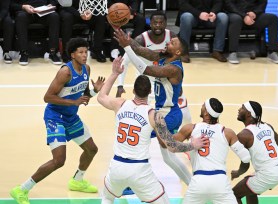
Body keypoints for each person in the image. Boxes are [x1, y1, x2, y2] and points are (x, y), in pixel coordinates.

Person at [97, 57, 208, 204]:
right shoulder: (154, 116)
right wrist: (193, 145)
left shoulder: (120, 104)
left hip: (116, 167)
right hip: (139, 170)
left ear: (133, 90)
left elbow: (101, 96)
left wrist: (115, 73)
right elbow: (172, 147)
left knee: (107, 197)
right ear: (150, 91)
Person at [10, 38, 105, 204]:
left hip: (71, 117)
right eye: (81, 52)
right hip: (55, 117)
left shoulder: (86, 69)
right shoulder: (65, 72)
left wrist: (94, 91)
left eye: (86, 52)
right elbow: (47, 97)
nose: (84, 55)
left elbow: (82, 95)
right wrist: (73, 102)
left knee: (91, 149)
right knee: (59, 160)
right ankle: (21, 189)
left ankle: (77, 180)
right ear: (73, 55)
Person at [114, 29, 193, 186]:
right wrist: (128, 41)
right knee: (168, 157)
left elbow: (146, 69)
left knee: (138, 136)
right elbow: (142, 51)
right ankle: (193, 184)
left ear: (177, 51)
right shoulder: (164, 56)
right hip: (161, 113)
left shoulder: (174, 68)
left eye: (173, 43)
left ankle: (131, 182)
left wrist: (127, 48)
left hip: (169, 115)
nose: (168, 42)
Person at [155, 97, 251, 204]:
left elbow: (167, 143)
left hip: (199, 182)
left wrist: (159, 127)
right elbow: (246, 158)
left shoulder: (190, 129)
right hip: (220, 182)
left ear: (206, 114)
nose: (201, 107)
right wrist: (239, 172)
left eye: (203, 106)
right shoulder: (227, 132)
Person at [231, 101, 278, 204]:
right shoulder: (268, 126)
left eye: (242, 108)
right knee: (250, 189)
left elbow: (245, 163)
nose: (239, 109)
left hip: (269, 173)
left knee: (233, 195)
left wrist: (238, 173)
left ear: (248, 114)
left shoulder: (244, 135)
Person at [224, 0, 278, 64]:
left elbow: (262, 3)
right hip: (236, 14)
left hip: (253, 16)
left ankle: (272, 51)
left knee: (273, 18)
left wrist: (254, 13)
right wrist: (244, 15)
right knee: (236, 19)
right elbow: (229, 4)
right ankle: (232, 52)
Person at [10, 0, 61, 65]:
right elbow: (11, 5)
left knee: (54, 16)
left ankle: (53, 52)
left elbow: (53, 1)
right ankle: (24, 52)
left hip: (43, 11)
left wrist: (51, 5)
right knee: (21, 17)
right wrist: (23, 6)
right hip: (25, 11)